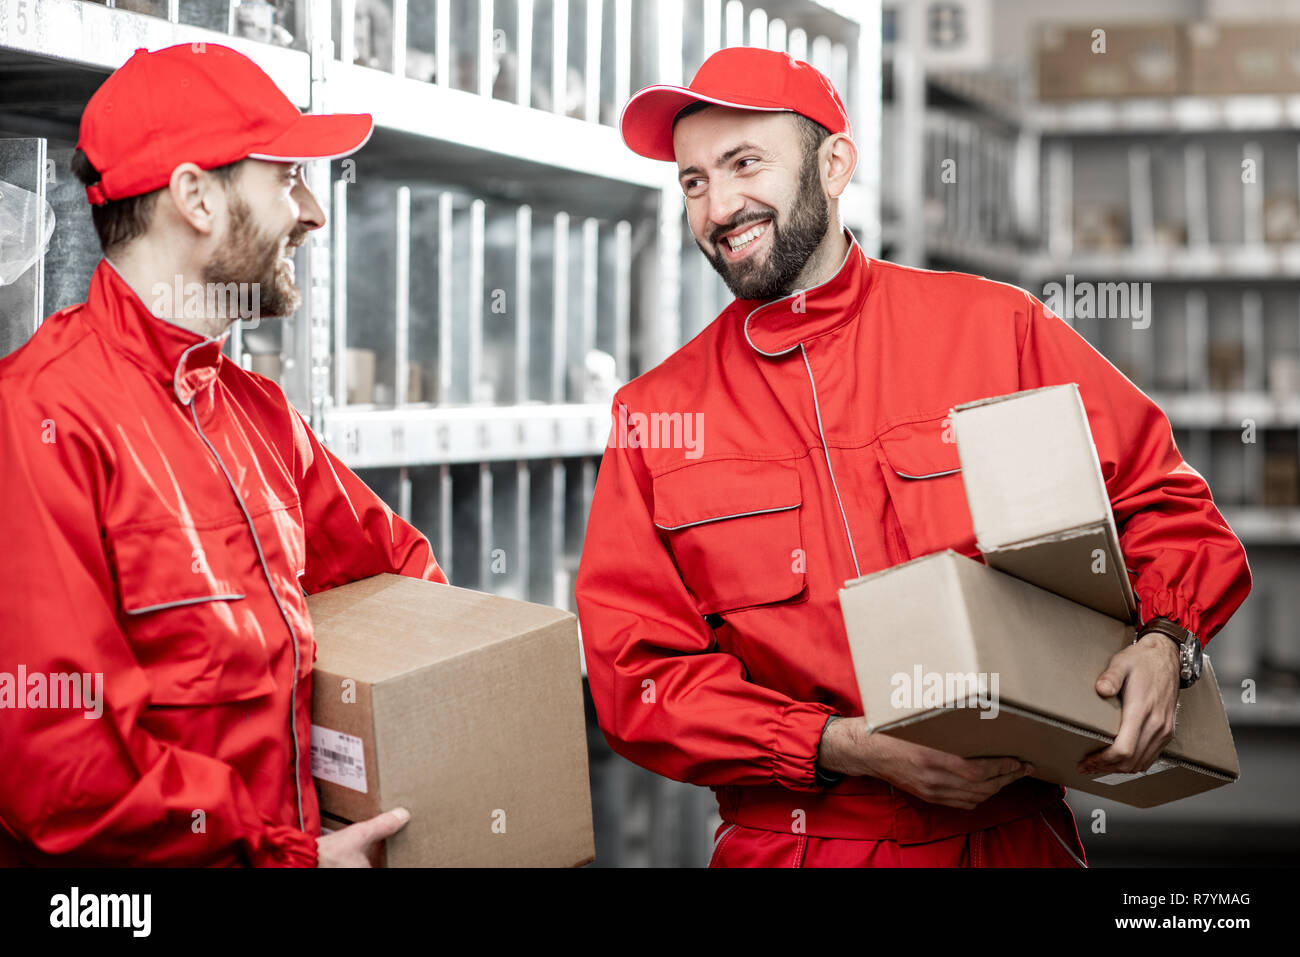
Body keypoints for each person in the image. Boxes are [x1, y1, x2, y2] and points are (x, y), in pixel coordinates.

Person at [575, 47, 1253, 867]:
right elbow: (636, 676)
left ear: (833, 164)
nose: (718, 206)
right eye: (692, 182)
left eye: (743, 163)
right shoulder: (656, 414)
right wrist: (842, 744)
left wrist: (1166, 640)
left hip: (1010, 842)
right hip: (797, 846)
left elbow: (1161, 498)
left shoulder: (997, 331)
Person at [0, 44, 438, 867]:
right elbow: (62, 769)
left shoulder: (257, 413)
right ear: (196, 197)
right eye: (285, 177)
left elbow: (405, 586)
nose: (313, 212)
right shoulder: (38, 418)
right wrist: (287, 859)